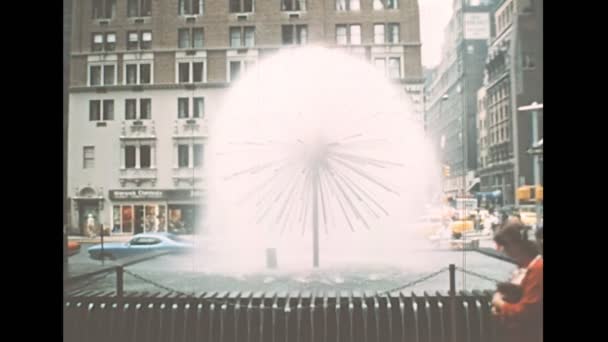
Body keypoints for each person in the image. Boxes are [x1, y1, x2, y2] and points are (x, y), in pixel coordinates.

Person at [491, 222, 543, 342]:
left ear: (519, 245)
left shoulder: (538, 269)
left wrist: (499, 304)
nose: (503, 249)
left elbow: (525, 312)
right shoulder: (524, 267)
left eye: (506, 244)